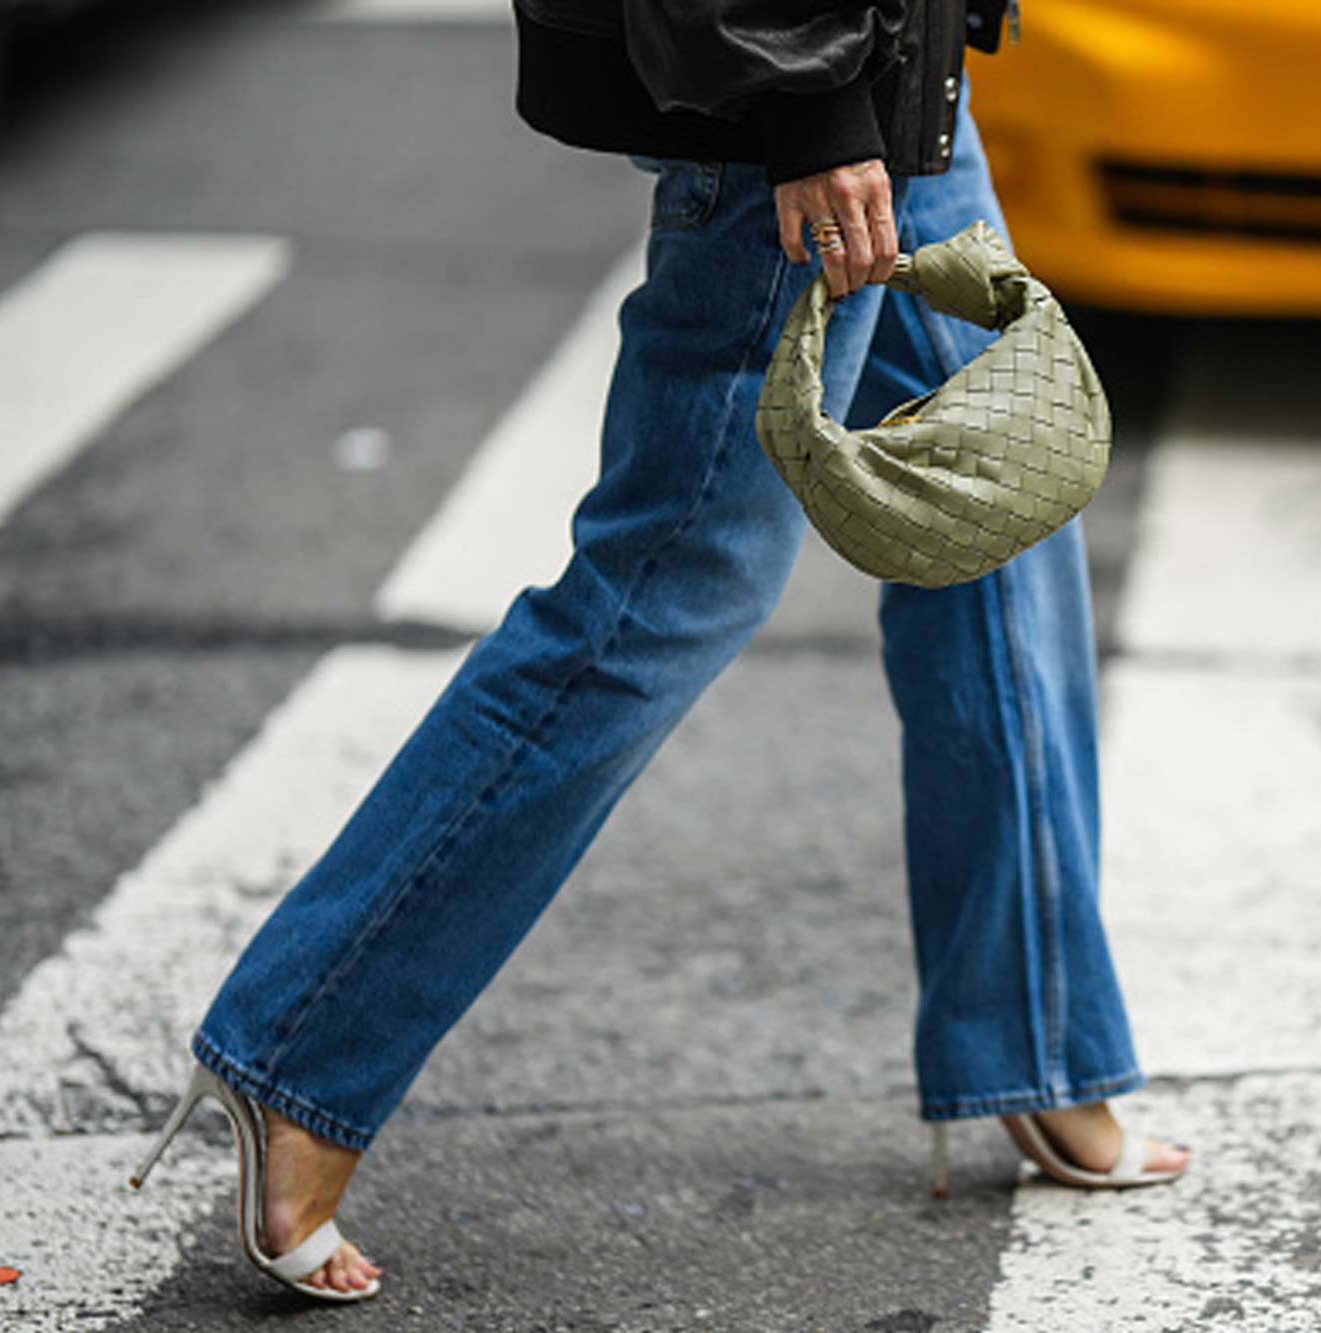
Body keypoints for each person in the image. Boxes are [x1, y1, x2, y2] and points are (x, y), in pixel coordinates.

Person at [129, 0, 1188, 1302]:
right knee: (661, 591)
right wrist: (805, 100)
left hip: (894, 70)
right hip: (793, 96)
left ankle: (1042, 1042)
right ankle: (301, 1053)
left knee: (1001, 509)